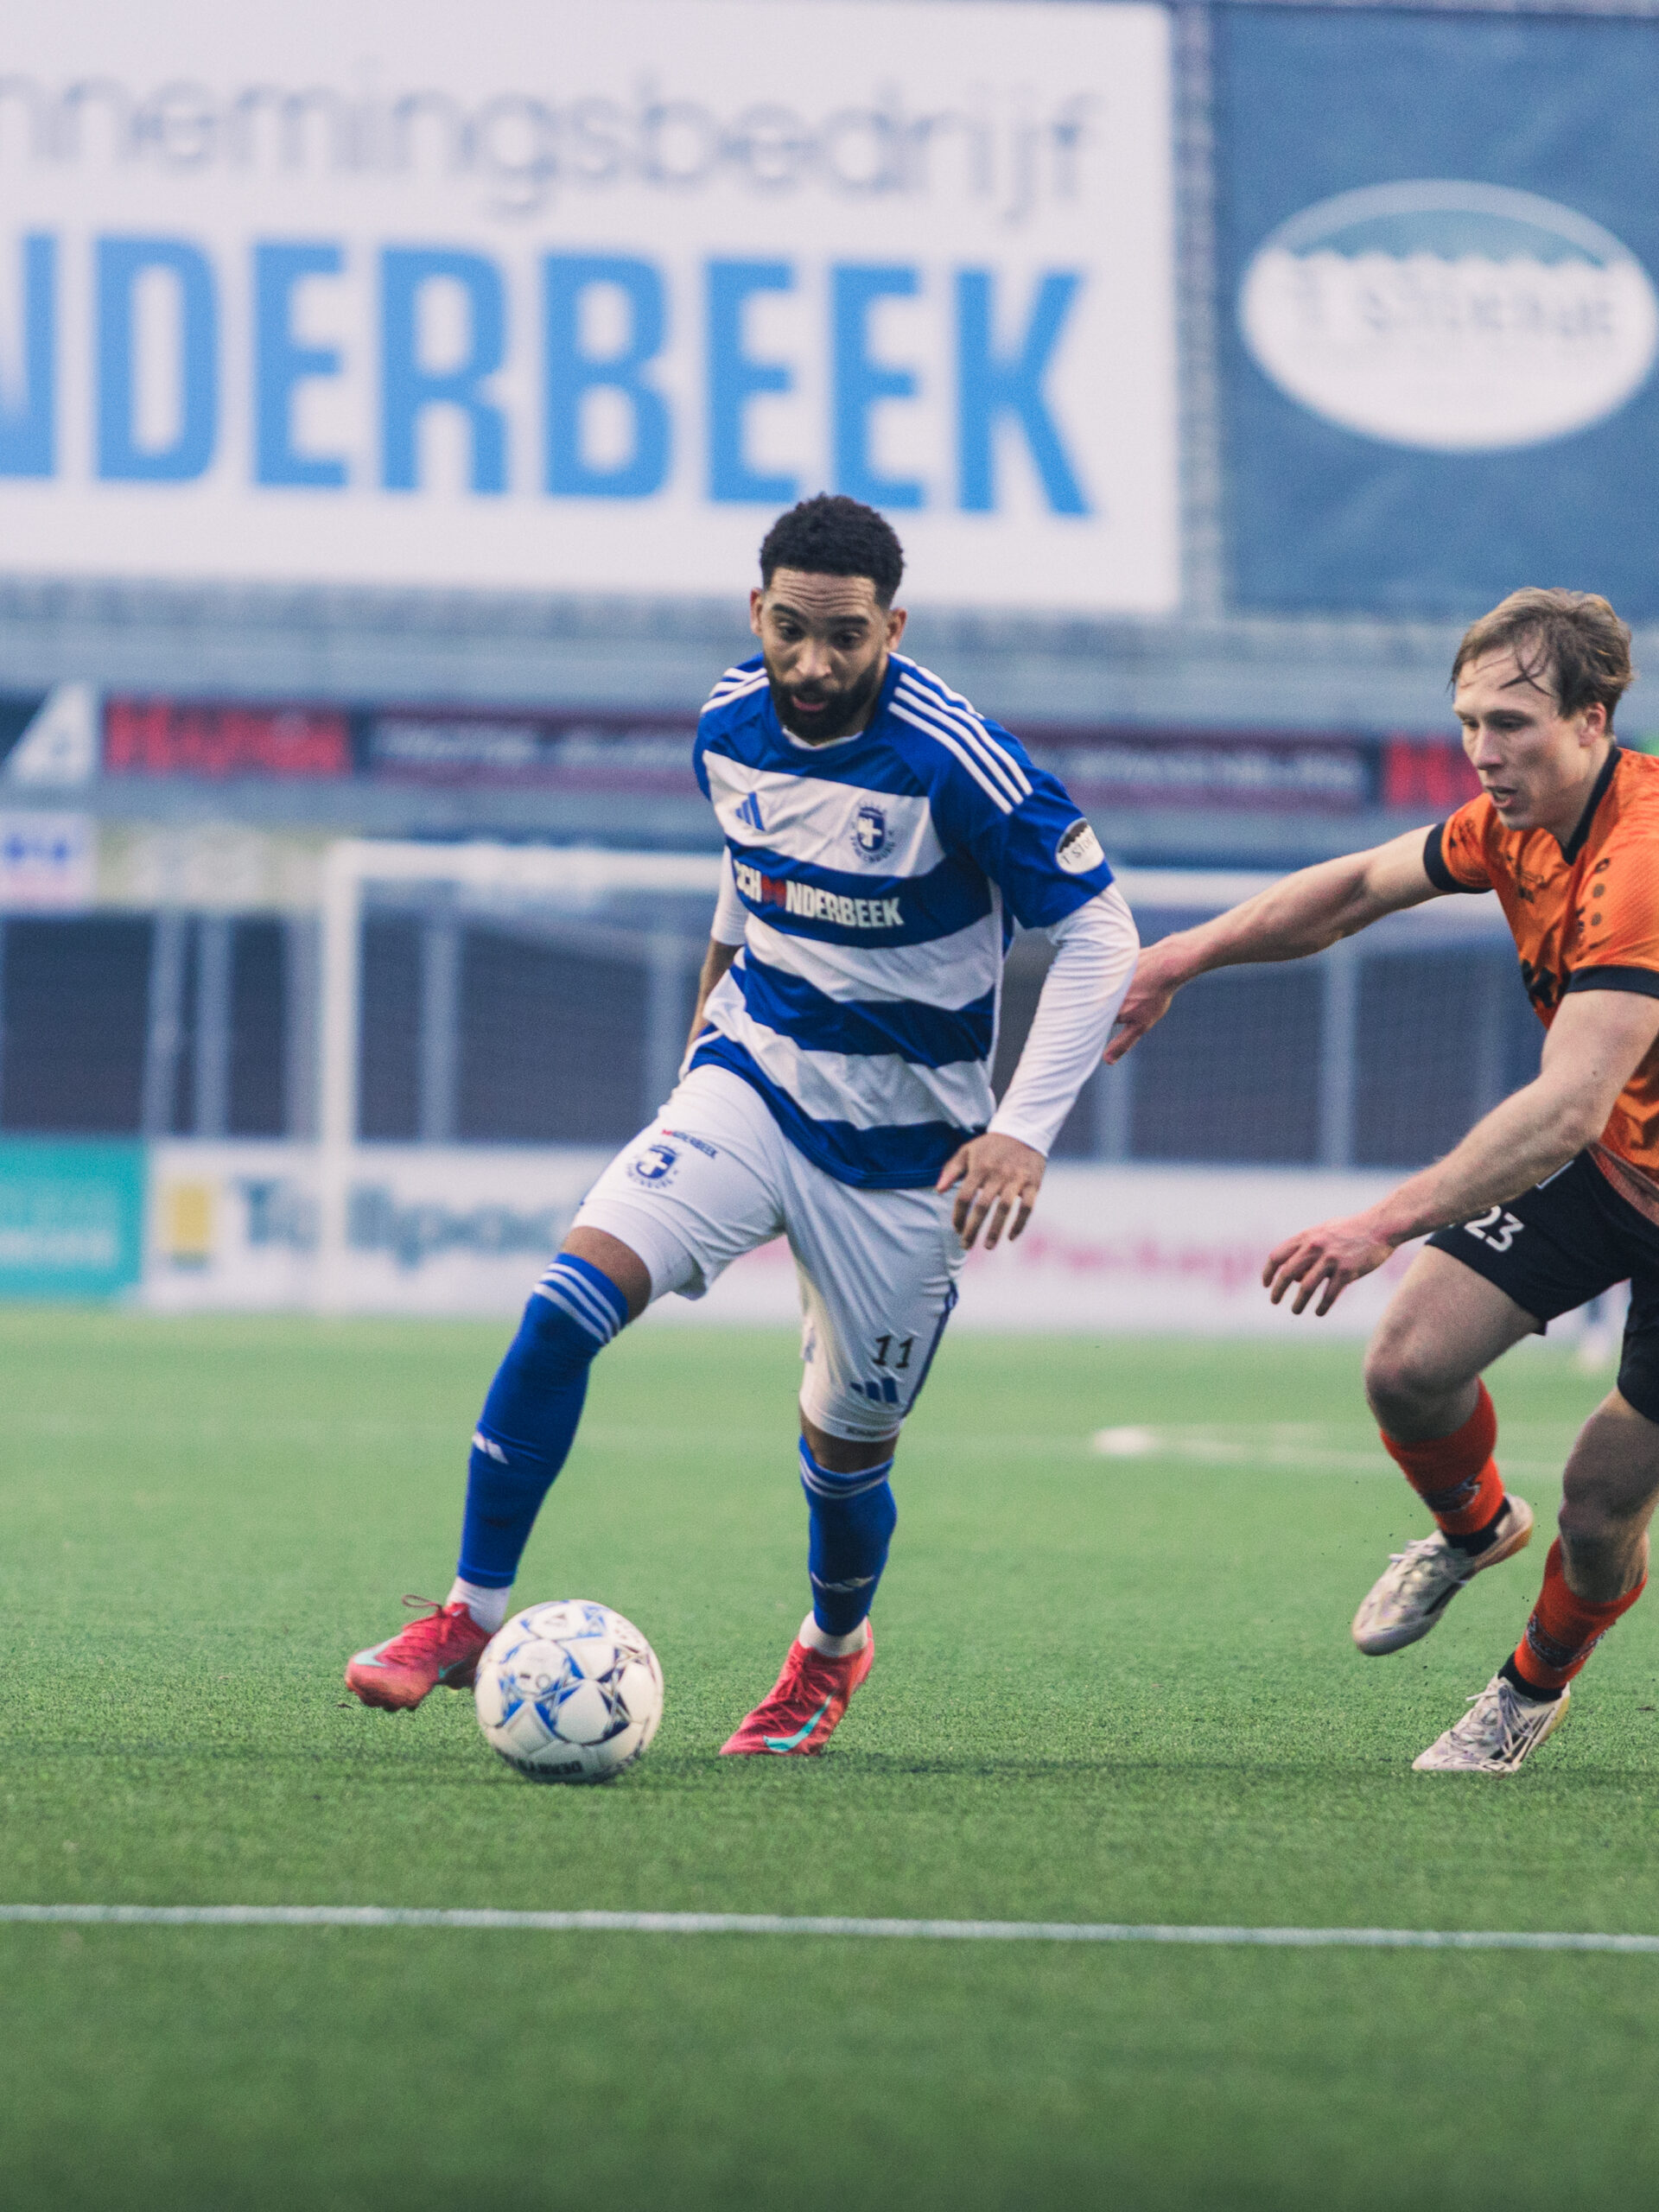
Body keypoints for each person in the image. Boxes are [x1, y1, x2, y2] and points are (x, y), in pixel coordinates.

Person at [345, 493, 1139, 1753]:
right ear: (755, 610)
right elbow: (747, 858)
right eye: (790, 630)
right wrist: (707, 1023)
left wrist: (1024, 1131)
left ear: (892, 629)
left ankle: (832, 1649)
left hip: (906, 1158)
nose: (813, 664)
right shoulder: (725, 721)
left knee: (847, 1455)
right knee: (563, 1308)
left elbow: (1100, 930)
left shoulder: (955, 760)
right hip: (754, 1084)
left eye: (846, 637)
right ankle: (469, 1615)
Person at [1109, 588, 1659, 1774]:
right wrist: (1182, 956)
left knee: (1602, 1497)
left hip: (1596, 1139)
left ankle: (1529, 1688)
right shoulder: (1510, 825)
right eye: (1469, 722)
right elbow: (1358, 890)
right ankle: (1474, 1528)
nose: (1482, 752)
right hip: (1625, 1165)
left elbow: (1564, 1108)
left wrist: (1383, 1223)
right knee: (1408, 1365)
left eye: (1510, 724)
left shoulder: (1644, 860)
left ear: (1593, 721)